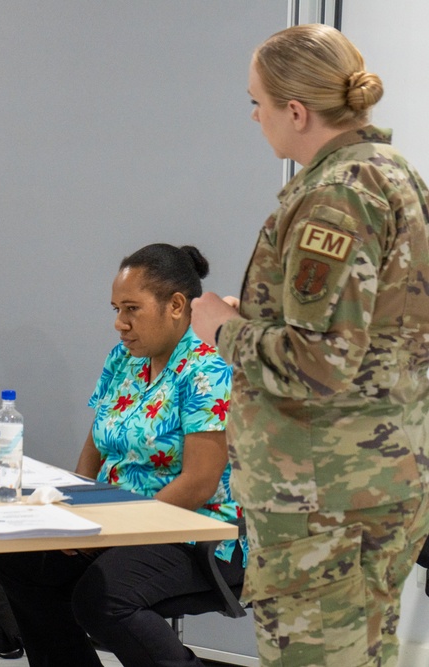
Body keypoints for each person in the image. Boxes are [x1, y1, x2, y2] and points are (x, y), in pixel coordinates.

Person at [191, 24, 429, 667]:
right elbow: (378, 327)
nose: (254, 115)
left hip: (320, 497)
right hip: (384, 477)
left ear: (295, 112)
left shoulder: (333, 195)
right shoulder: (395, 175)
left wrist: (220, 327)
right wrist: (263, 318)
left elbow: (319, 363)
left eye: (257, 102)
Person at [0, 244, 245, 667]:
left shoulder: (208, 367)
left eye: (131, 309)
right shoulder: (124, 359)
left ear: (176, 306)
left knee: (103, 596)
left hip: (196, 530)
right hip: (117, 522)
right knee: (22, 564)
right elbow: (96, 443)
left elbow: (201, 482)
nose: (119, 324)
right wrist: (74, 515)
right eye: (116, 309)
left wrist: (116, 530)